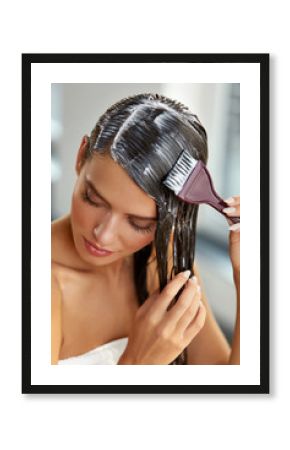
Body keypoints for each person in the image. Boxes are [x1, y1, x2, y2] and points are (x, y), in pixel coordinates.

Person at [51, 93, 240, 365]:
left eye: (139, 223)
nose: (103, 235)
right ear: (81, 156)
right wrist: (138, 364)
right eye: (92, 198)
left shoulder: (164, 261)